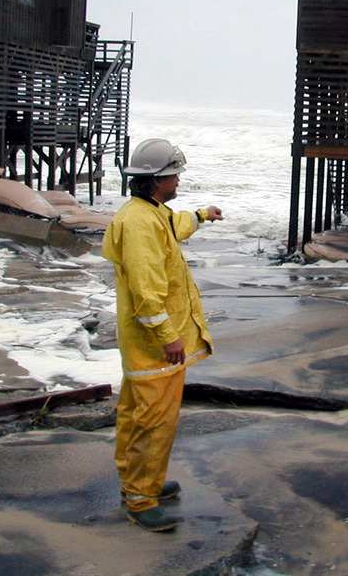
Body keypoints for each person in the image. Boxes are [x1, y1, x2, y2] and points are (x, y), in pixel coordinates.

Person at [101, 138, 223, 532]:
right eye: (173, 176)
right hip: (154, 349)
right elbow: (146, 289)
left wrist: (202, 215)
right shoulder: (138, 224)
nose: (177, 181)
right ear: (157, 181)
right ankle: (140, 497)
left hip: (148, 348)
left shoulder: (150, 212)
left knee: (136, 416)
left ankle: (140, 483)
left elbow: (175, 225)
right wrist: (169, 337)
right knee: (154, 422)